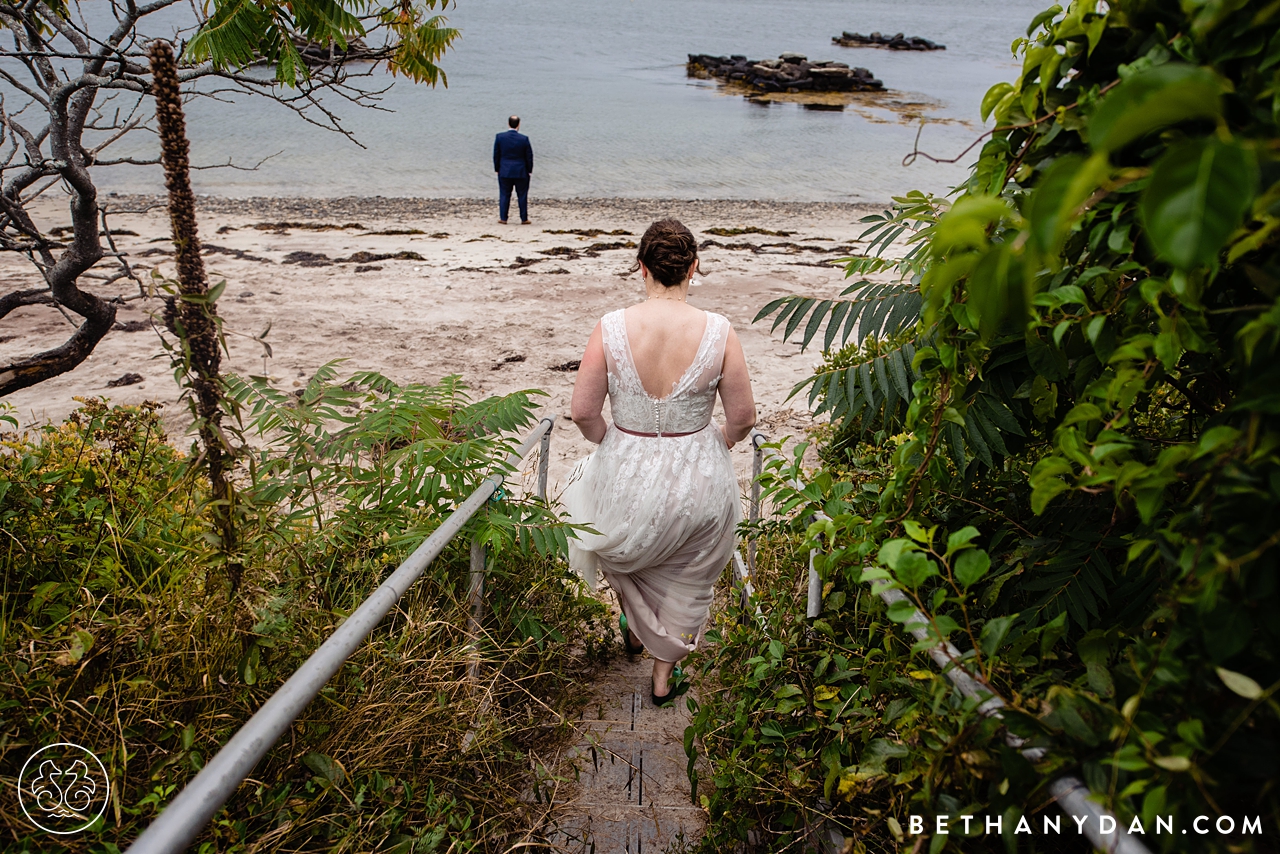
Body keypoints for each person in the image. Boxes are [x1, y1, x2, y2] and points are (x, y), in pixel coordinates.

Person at [564, 218, 757, 706]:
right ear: (694, 268)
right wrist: (720, 442)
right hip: (698, 466)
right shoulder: (719, 331)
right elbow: (743, 417)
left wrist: (611, 440)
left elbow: (583, 411)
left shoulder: (610, 327)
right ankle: (662, 675)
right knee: (690, 567)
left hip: (625, 462)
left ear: (641, 268)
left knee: (619, 538)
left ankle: (632, 623)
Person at [493, 115, 533, 224]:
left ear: (508, 124)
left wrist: (497, 168)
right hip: (521, 171)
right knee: (522, 195)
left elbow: (496, 155)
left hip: (505, 170)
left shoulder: (500, 137)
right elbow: (529, 156)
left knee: (504, 194)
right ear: (519, 124)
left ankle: (503, 218)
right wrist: (529, 170)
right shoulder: (524, 139)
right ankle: (524, 218)